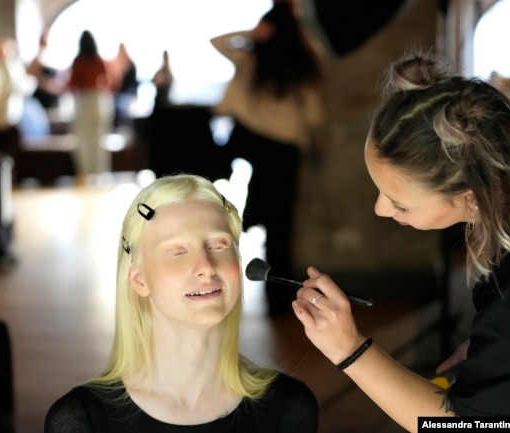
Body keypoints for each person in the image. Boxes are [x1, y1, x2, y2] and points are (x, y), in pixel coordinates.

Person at [292, 48, 510, 431]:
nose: (380, 210)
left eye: (399, 204)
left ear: (469, 198)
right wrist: (505, 357)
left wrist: (348, 347)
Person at [44, 174, 319, 432]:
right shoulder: (80, 420)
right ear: (139, 280)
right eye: (177, 251)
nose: (206, 267)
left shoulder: (290, 407)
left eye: (218, 245)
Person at [211, 0, 328, 315]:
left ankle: (236, 235)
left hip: (254, 139)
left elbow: (217, 42)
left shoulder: (253, 58)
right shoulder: (305, 60)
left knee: (262, 209)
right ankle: (279, 299)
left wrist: (253, 33)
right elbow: (314, 113)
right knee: (281, 221)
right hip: (285, 146)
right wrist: (317, 141)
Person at [67, 30, 114, 186]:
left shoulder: (78, 61)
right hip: (98, 100)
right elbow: (109, 80)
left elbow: (72, 84)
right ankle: (101, 173)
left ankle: (85, 174)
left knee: (83, 140)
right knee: (99, 139)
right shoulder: (98, 60)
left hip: (83, 101)